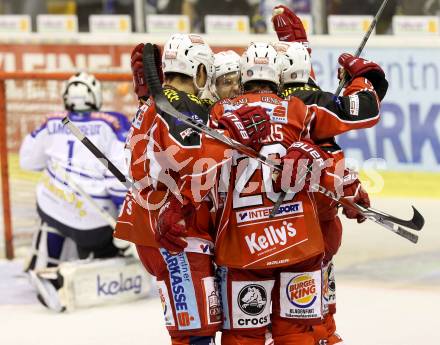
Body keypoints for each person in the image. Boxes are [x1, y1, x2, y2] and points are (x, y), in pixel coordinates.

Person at [209, 41, 383, 345]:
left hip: (246, 244)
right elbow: (337, 141)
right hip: (297, 239)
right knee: (298, 332)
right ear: (279, 77)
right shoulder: (297, 108)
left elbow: (204, 170)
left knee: (243, 335)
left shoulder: (220, 112)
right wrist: (349, 188)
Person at [114, 33, 271, 345]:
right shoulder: (186, 106)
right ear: (200, 72)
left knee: (191, 329)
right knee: (195, 334)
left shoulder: (152, 105)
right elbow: (194, 161)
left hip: (147, 225)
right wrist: (235, 134)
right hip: (177, 230)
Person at [272, 6, 388, 344]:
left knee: (291, 310)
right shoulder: (309, 102)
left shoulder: (261, 102)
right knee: (307, 317)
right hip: (308, 220)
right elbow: (363, 111)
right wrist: (363, 77)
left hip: (269, 224)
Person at [19, 71, 131, 311]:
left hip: (53, 204)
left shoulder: (51, 121)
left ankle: (43, 262)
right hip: (95, 221)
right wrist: (126, 222)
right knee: (107, 247)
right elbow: (119, 175)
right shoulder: (113, 122)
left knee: (52, 204)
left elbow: (27, 161)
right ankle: (99, 265)